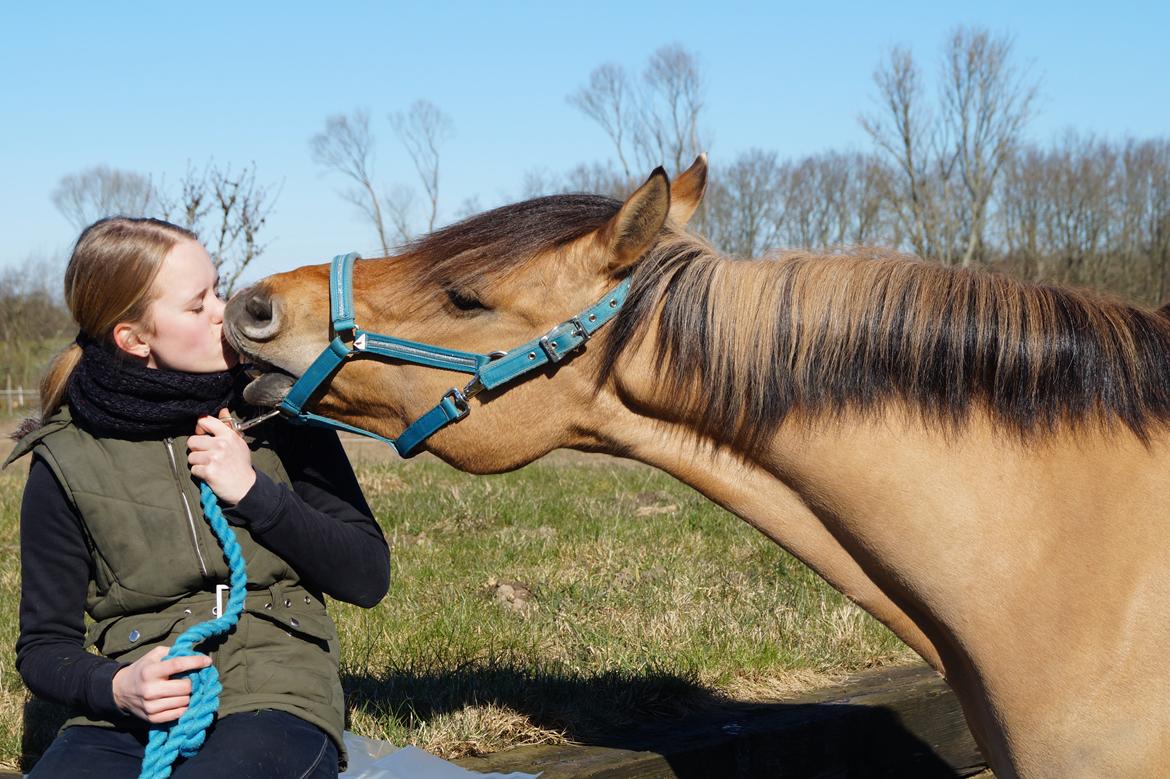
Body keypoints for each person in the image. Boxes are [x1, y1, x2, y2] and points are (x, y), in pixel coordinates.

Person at [8, 217, 390, 777]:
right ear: (135, 339)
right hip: (132, 714)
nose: (224, 310)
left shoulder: (283, 418)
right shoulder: (65, 458)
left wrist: (256, 494)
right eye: (197, 305)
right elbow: (43, 647)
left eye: (218, 287)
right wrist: (115, 686)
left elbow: (366, 575)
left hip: (274, 691)